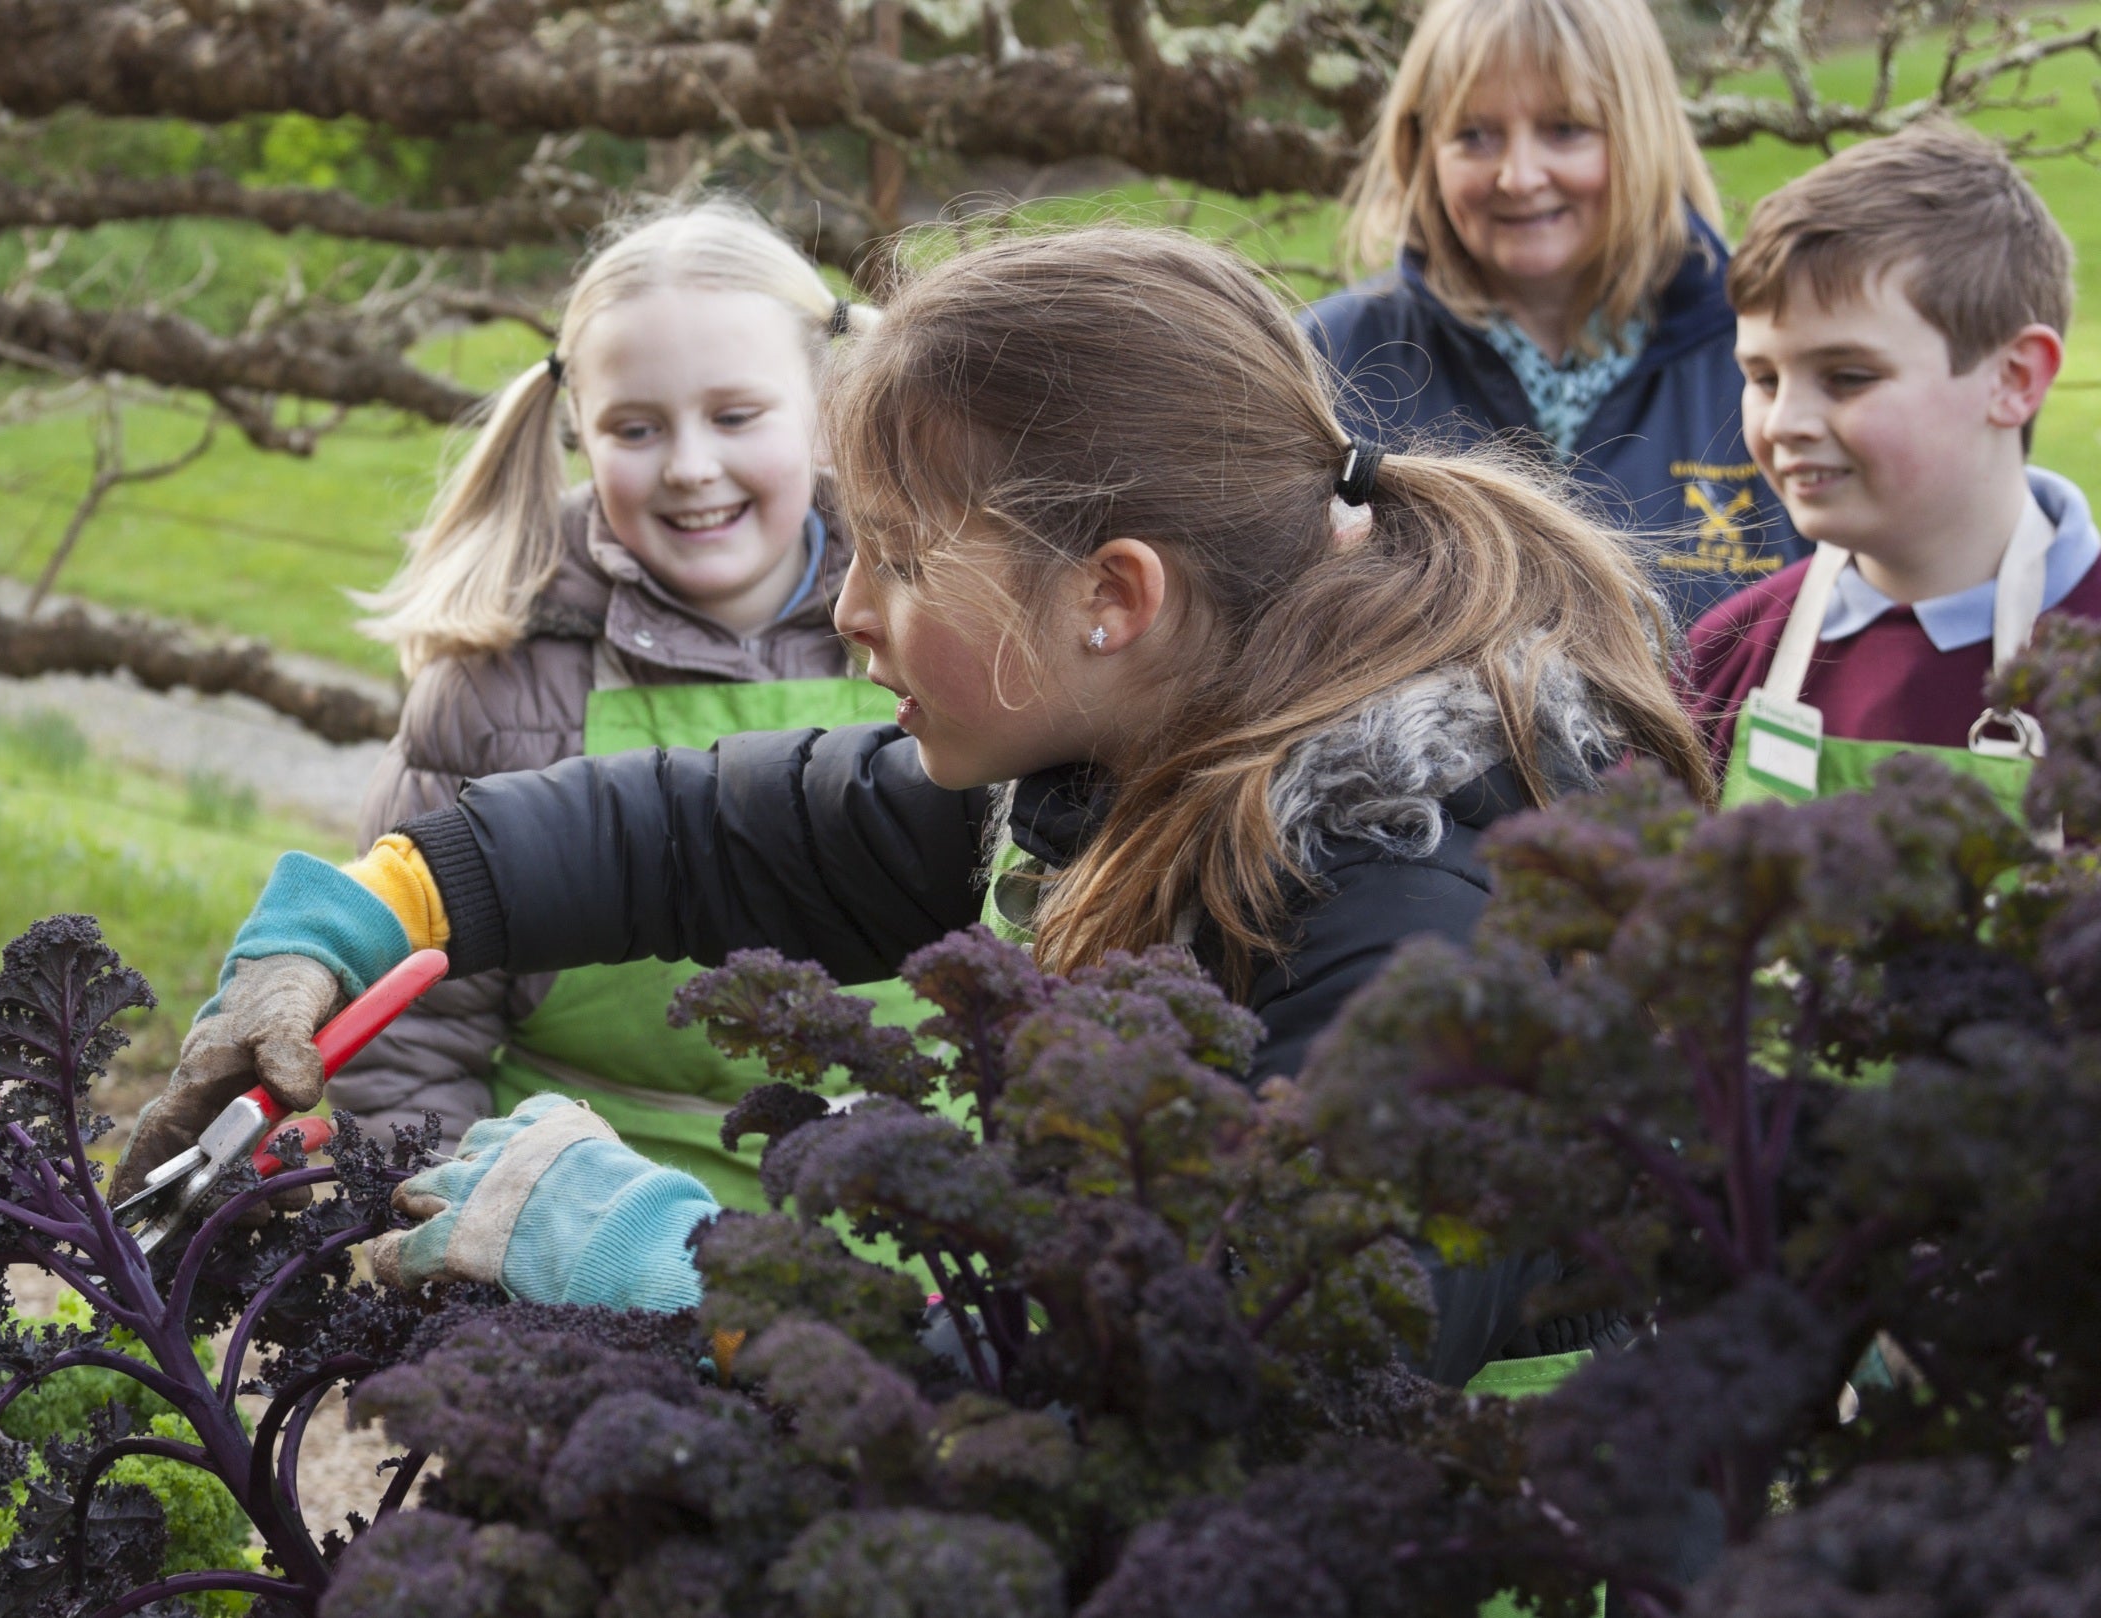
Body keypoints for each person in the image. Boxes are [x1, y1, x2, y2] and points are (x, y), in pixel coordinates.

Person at [124, 225, 1712, 1387]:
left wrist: (692, 1270)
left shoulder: (1421, 911)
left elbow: (1243, 1383)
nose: (854, 608)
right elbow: (721, 823)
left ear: (1112, 596)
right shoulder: (1149, 739)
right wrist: (384, 902)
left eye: (895, 552)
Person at [325, 203, 904, 1208]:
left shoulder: (935, 624)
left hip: (914, 1229)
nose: (688, 465)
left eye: (735, 415)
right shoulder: (501, 681)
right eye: (636, 429)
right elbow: (409, 1031)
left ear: (826, 405)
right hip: (585, 1221)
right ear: (578, 431)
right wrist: (457, 1239)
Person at [1309, 0, 1804, 625]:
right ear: (1423, 147)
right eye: (1474, 135)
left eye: (1565, 129)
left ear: (1641, 133)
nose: (1518, 176)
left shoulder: (1766, 359)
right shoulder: (1328, 363)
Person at [1686, 121, 2084, 815]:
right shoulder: (1728, 654)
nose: (1785, 422)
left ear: (2014, 378)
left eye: (1846, 376)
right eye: (1764, 377)